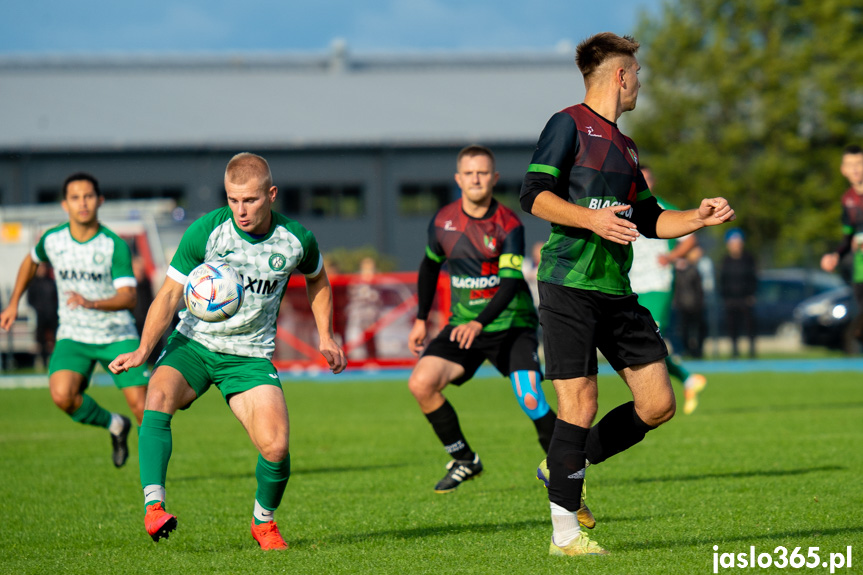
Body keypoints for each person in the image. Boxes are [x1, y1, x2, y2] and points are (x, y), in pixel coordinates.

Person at [519, 33, 735, 556]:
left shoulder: (626, 146)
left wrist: (698, 219)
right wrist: (590, 218)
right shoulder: (566, 123)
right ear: (620, 75)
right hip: (569, 285)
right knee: (581, 404)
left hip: (617, 292)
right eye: (637, 72)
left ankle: (563, 465)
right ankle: (564, 537)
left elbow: (652, 218)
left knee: (659, 404)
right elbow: (534, 194)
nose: (641, 82)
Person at [109, 152, 346, 550]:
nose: (241, 209)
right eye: (233, 199)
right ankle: (154, 507)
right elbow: (169, 294)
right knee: (158, 395)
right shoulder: (207, 232)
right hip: (195, 344)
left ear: (271, 195)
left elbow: (317, 278)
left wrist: (326, 335)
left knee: (276, 445)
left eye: (250, 200)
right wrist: (143, 349)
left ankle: (263, 523)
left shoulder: (295, 240)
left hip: (250, 356)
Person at [408, 145, 562, 500]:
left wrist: (479, 323)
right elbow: (430, 267)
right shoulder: (443, 220)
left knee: (531, 398)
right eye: (469, 173)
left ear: (493, 179)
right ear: (458, 179)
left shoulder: (508, 224)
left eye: (482, 173)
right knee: (421, 384)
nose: (476, 179)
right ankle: (464, 458)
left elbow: (510, 284)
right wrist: (420, 319)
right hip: (464, 326)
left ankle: (565, 469)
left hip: (511, 326)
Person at [0, 172, 146, 468]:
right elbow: (31, 260)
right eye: (75, 197)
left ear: (100, 201)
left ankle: (152, 482)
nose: (83, 203)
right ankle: (115, 424)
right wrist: (14, 302)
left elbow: (129, 297)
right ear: (65, 204)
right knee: (63, 396)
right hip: (74, 336)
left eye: (89, 196)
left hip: (116, 335)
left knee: (144, 408)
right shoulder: (53, 240)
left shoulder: (113, 245)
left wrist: (90, 302)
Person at [628, 165, 707, 414]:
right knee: (640, 340)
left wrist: (671, 257)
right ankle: (686, 379)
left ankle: (683, 379)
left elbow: (690, 238)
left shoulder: (661, 207)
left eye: (648, 179)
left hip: (657, 283)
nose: (645, 183)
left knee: (651, 336)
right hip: (631, 284)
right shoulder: (622, 208)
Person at [821, 145, 863, 342]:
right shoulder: (848, 199)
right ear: (843, 170)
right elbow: (848, 237)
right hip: (860, 266)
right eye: (850, 165)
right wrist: (835, 255)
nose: (855, 169)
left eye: (859, 164)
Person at [718, 228, 758, 358]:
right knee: (732, 326)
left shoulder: (748, 259)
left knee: (749, 326)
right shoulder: (725, 261)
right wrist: (725, 296)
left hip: (745, 298)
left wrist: (751, 294)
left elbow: (754, 278)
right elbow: (722, 280)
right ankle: (735, 351)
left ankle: (752, 351)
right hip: (731, 299)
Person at [672, 246, 707, 359]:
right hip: (682, 306)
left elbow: (698, 289)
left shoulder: (693, 269)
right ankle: (686, 351)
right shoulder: (676, 270)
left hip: (695, 306)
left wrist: (699, 303)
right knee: (683, 331)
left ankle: (697, 351)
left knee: (698, 329)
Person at [27, 262, 59, 369]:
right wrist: (38, 309)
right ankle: (42, 361)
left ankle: (52, 361)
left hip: (52, 315)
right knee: (41, 341)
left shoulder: (51, 282)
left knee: (53, 341)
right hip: (40, 316)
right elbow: (30, 300)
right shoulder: (33, 284)